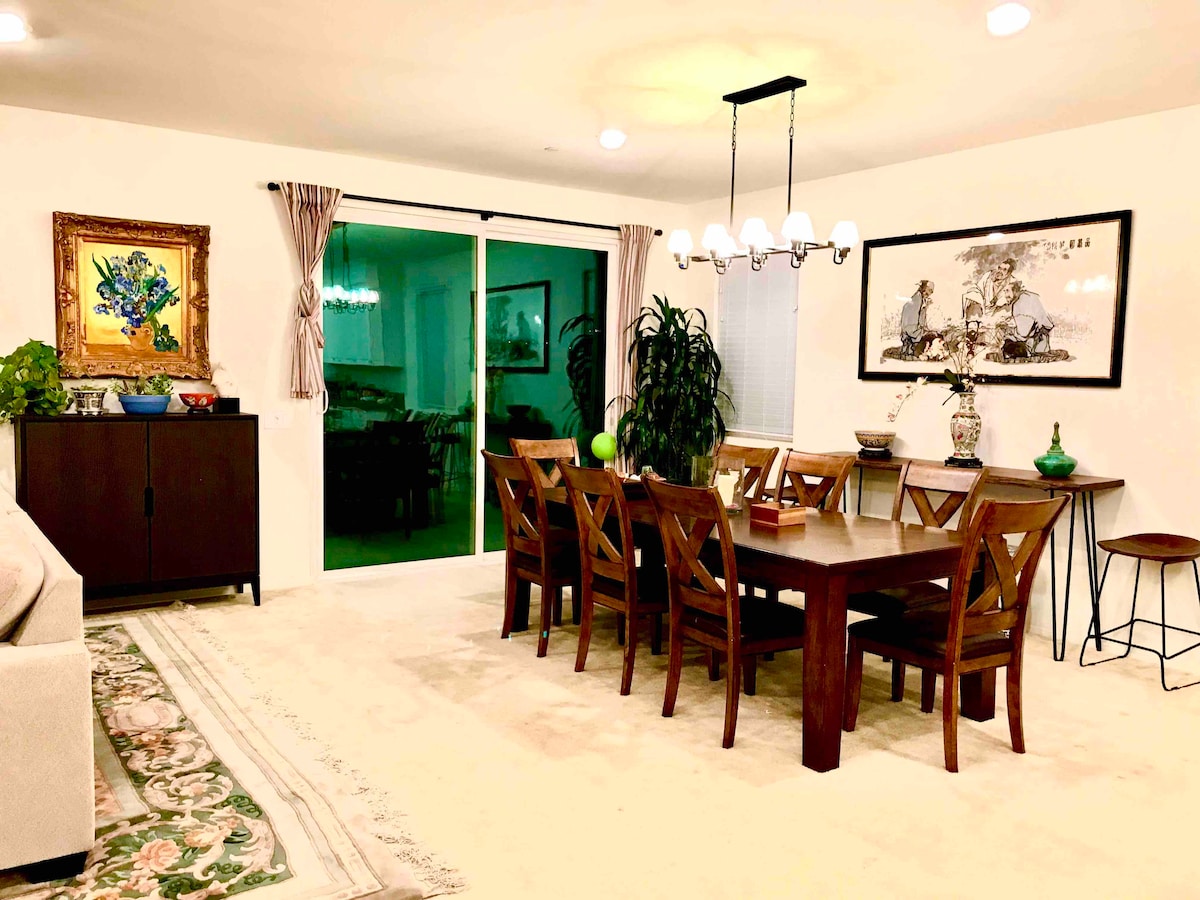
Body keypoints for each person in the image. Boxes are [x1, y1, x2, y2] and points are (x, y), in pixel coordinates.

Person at [1003, 280, 1054, 357]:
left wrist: (1010, 332)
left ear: (1015, 291)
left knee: (1008, 344)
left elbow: (1023, 333)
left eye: (1007, 291)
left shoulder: (1021, 303)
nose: (1005, 295)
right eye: (1004, 291)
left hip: (1033, 345)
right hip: (1041, 344)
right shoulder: (1028, 296)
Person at [962, 257, 1017, 326]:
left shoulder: (1012, 282)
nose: (1000, 271)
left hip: (998, 312)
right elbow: (978, 288)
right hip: (982, 309)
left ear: (1009, 273)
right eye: (999, 268)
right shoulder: (988, 276)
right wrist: (976, 297)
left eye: (1004, 270)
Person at [899, 280, 936, 357]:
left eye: (931, 292)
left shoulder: (919, 298)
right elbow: (917, 319)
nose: (930, 293)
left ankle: (909, 348)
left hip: (910, 329)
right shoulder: (917, 299)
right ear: (924, 288)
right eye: (929, 290)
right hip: (912, 328)